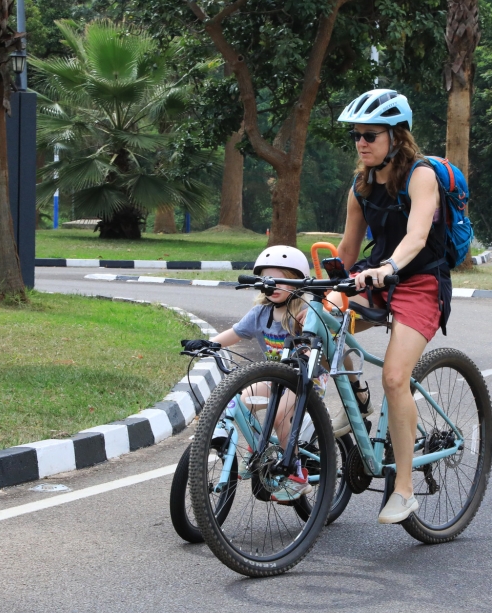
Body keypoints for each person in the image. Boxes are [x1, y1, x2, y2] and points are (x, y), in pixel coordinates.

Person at [333, 88, 450, 524]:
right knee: (317, 318)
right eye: (356, 136)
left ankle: (404, 489)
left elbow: (417, 235)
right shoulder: (361, 186)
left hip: (420, 283)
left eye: (370, 135)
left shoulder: (421, 176)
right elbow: (347, 250)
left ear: (396, 136)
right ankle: (358, 398)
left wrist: (389, 267)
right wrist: (321, 286)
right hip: (375, 278)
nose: (361, 143)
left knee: (396, 377)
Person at [184, 246, 372, 501]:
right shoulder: (261, 313)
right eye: (266, 280)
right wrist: (208, 344)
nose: (272, 286)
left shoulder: (305, 311)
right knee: (241, 401)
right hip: (275, 378)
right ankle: (257, 450)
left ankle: (296, 474)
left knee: (282, 415)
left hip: (307, 378)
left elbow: (320, 341)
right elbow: (235, 333)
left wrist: (307, 349)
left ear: (298, 281)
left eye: (280, 280)